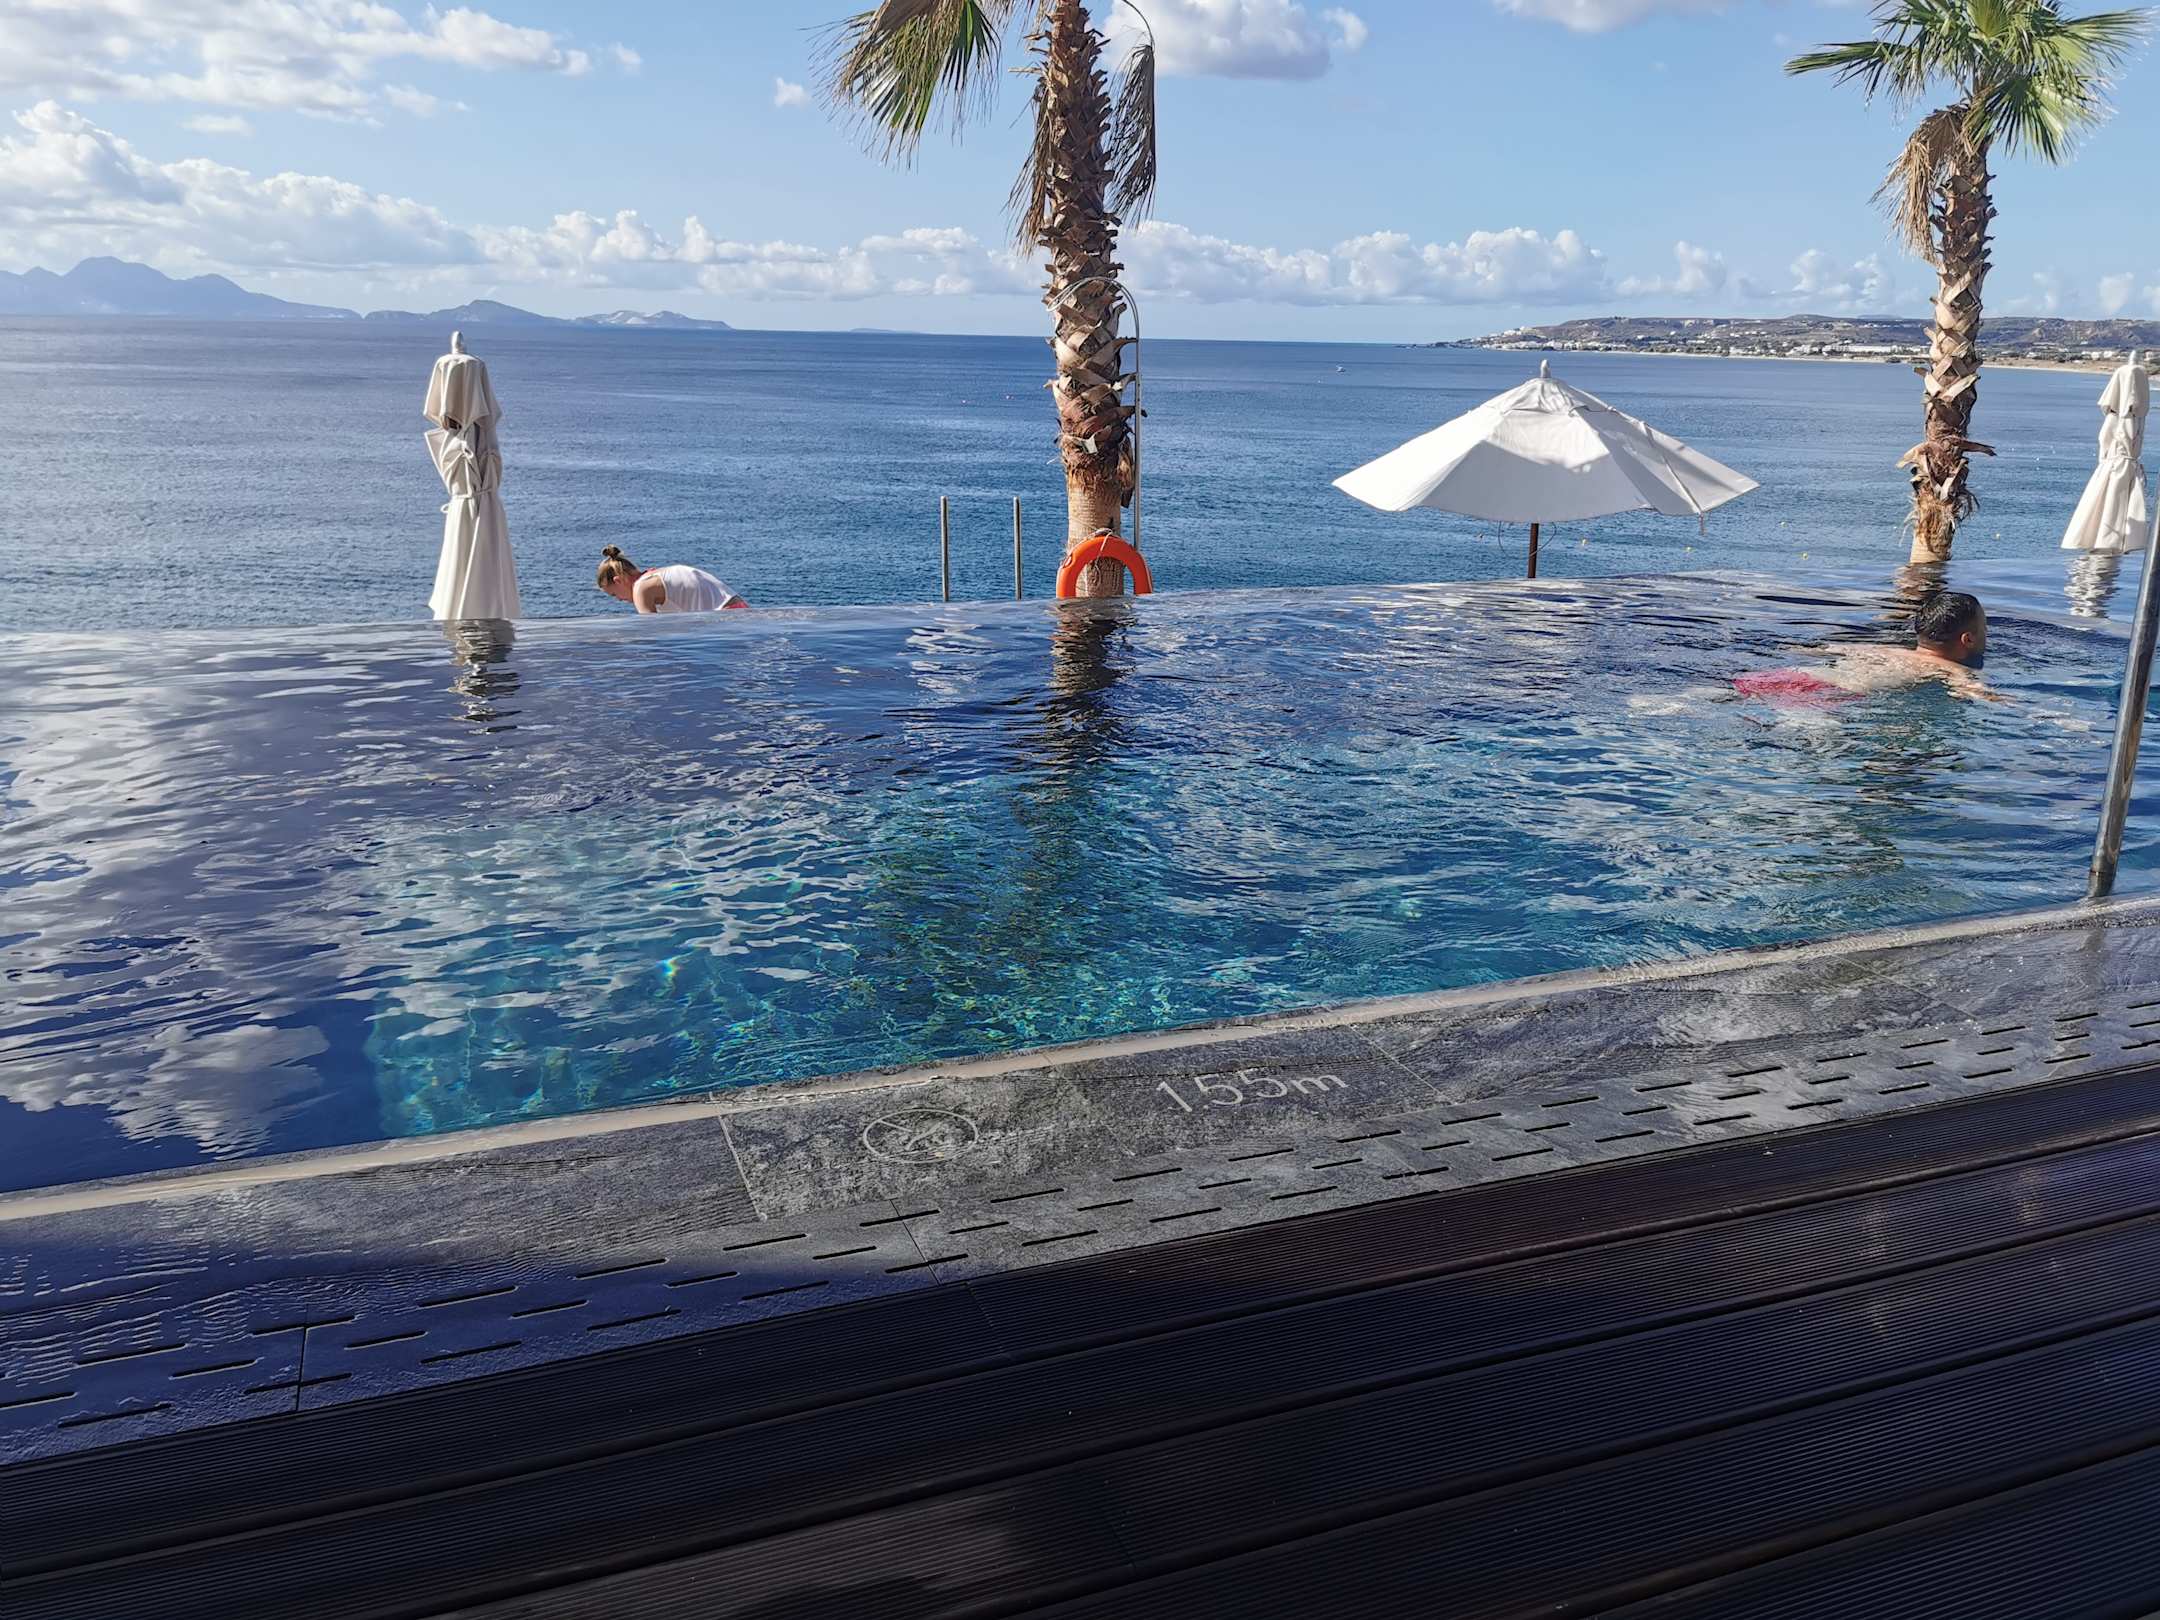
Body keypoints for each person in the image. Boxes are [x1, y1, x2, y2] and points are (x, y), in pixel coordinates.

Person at [1732, 591, 1995, 706]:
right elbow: (1975, 693)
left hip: (1793, 675)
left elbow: (1817, 649)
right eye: (1984, 628)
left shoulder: (1879, 650)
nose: (1987, 633)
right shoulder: (1954, 671)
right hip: (1828, 694)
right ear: (1967, 640)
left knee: (1731, 696)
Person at [594, 546, 747, 614]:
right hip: (740, 610)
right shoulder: (655, 576)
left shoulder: (641, 588)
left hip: (725, 618)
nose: (619, 600)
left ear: (619, 581)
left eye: (614, 594)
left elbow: (650, 633)